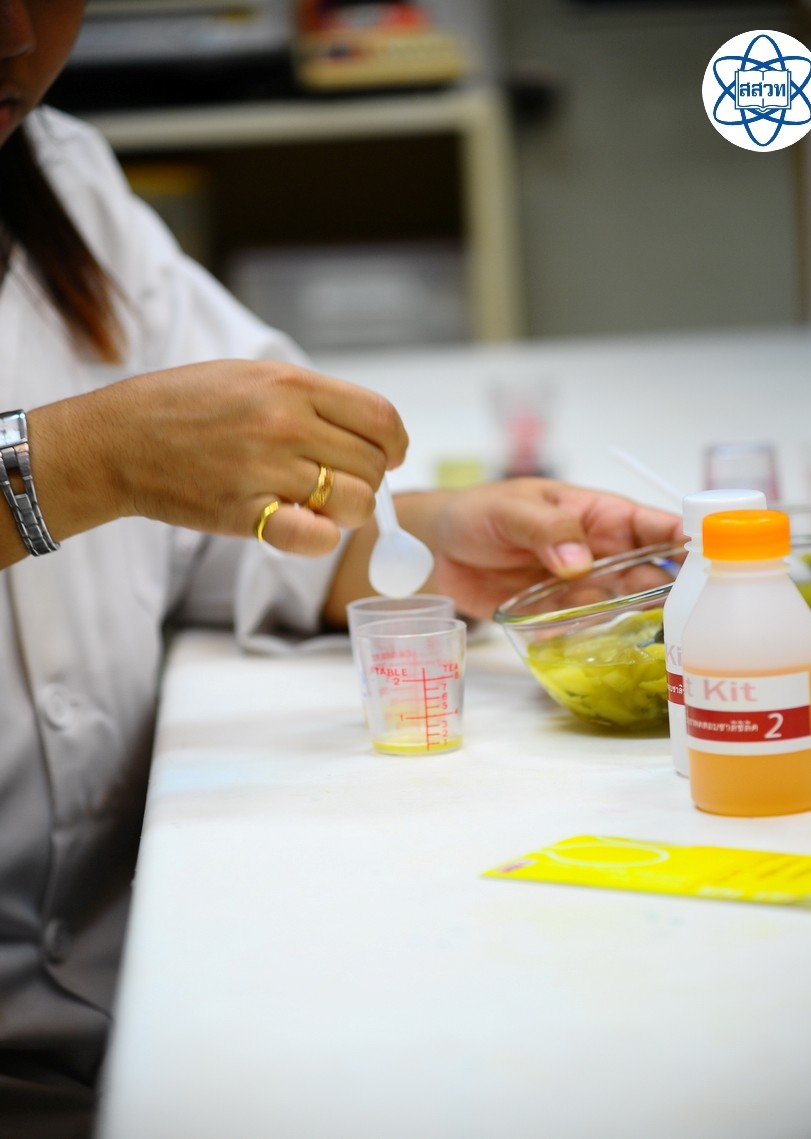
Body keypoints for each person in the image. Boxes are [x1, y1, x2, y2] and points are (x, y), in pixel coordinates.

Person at [0, 3, 684, 1135]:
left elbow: (199, 530)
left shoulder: (60, 176)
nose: (18, 33)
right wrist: (80, 460)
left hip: (150, 990)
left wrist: (425, 545)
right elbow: (110, 470)